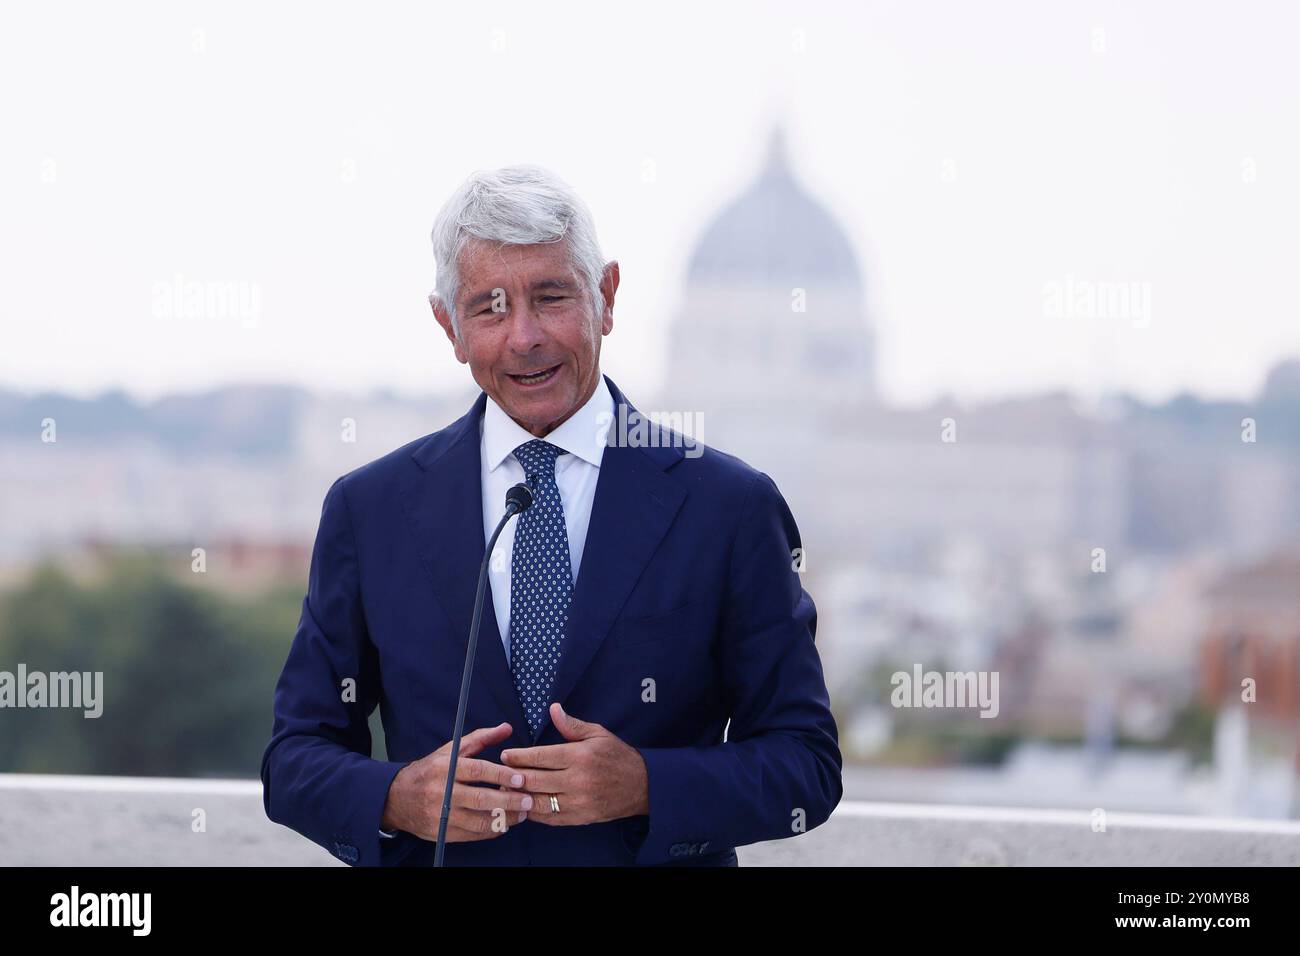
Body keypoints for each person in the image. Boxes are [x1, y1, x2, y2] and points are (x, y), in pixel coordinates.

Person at [260, 165, 842, 865]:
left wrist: (649, 785)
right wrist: (395, 797)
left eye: (552, 297)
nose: (525, 336)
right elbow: (294, 759)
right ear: (449, 326)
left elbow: (806, 764)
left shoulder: (729, 507)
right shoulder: (370, 510)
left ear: (607, 297)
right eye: (490, 307)